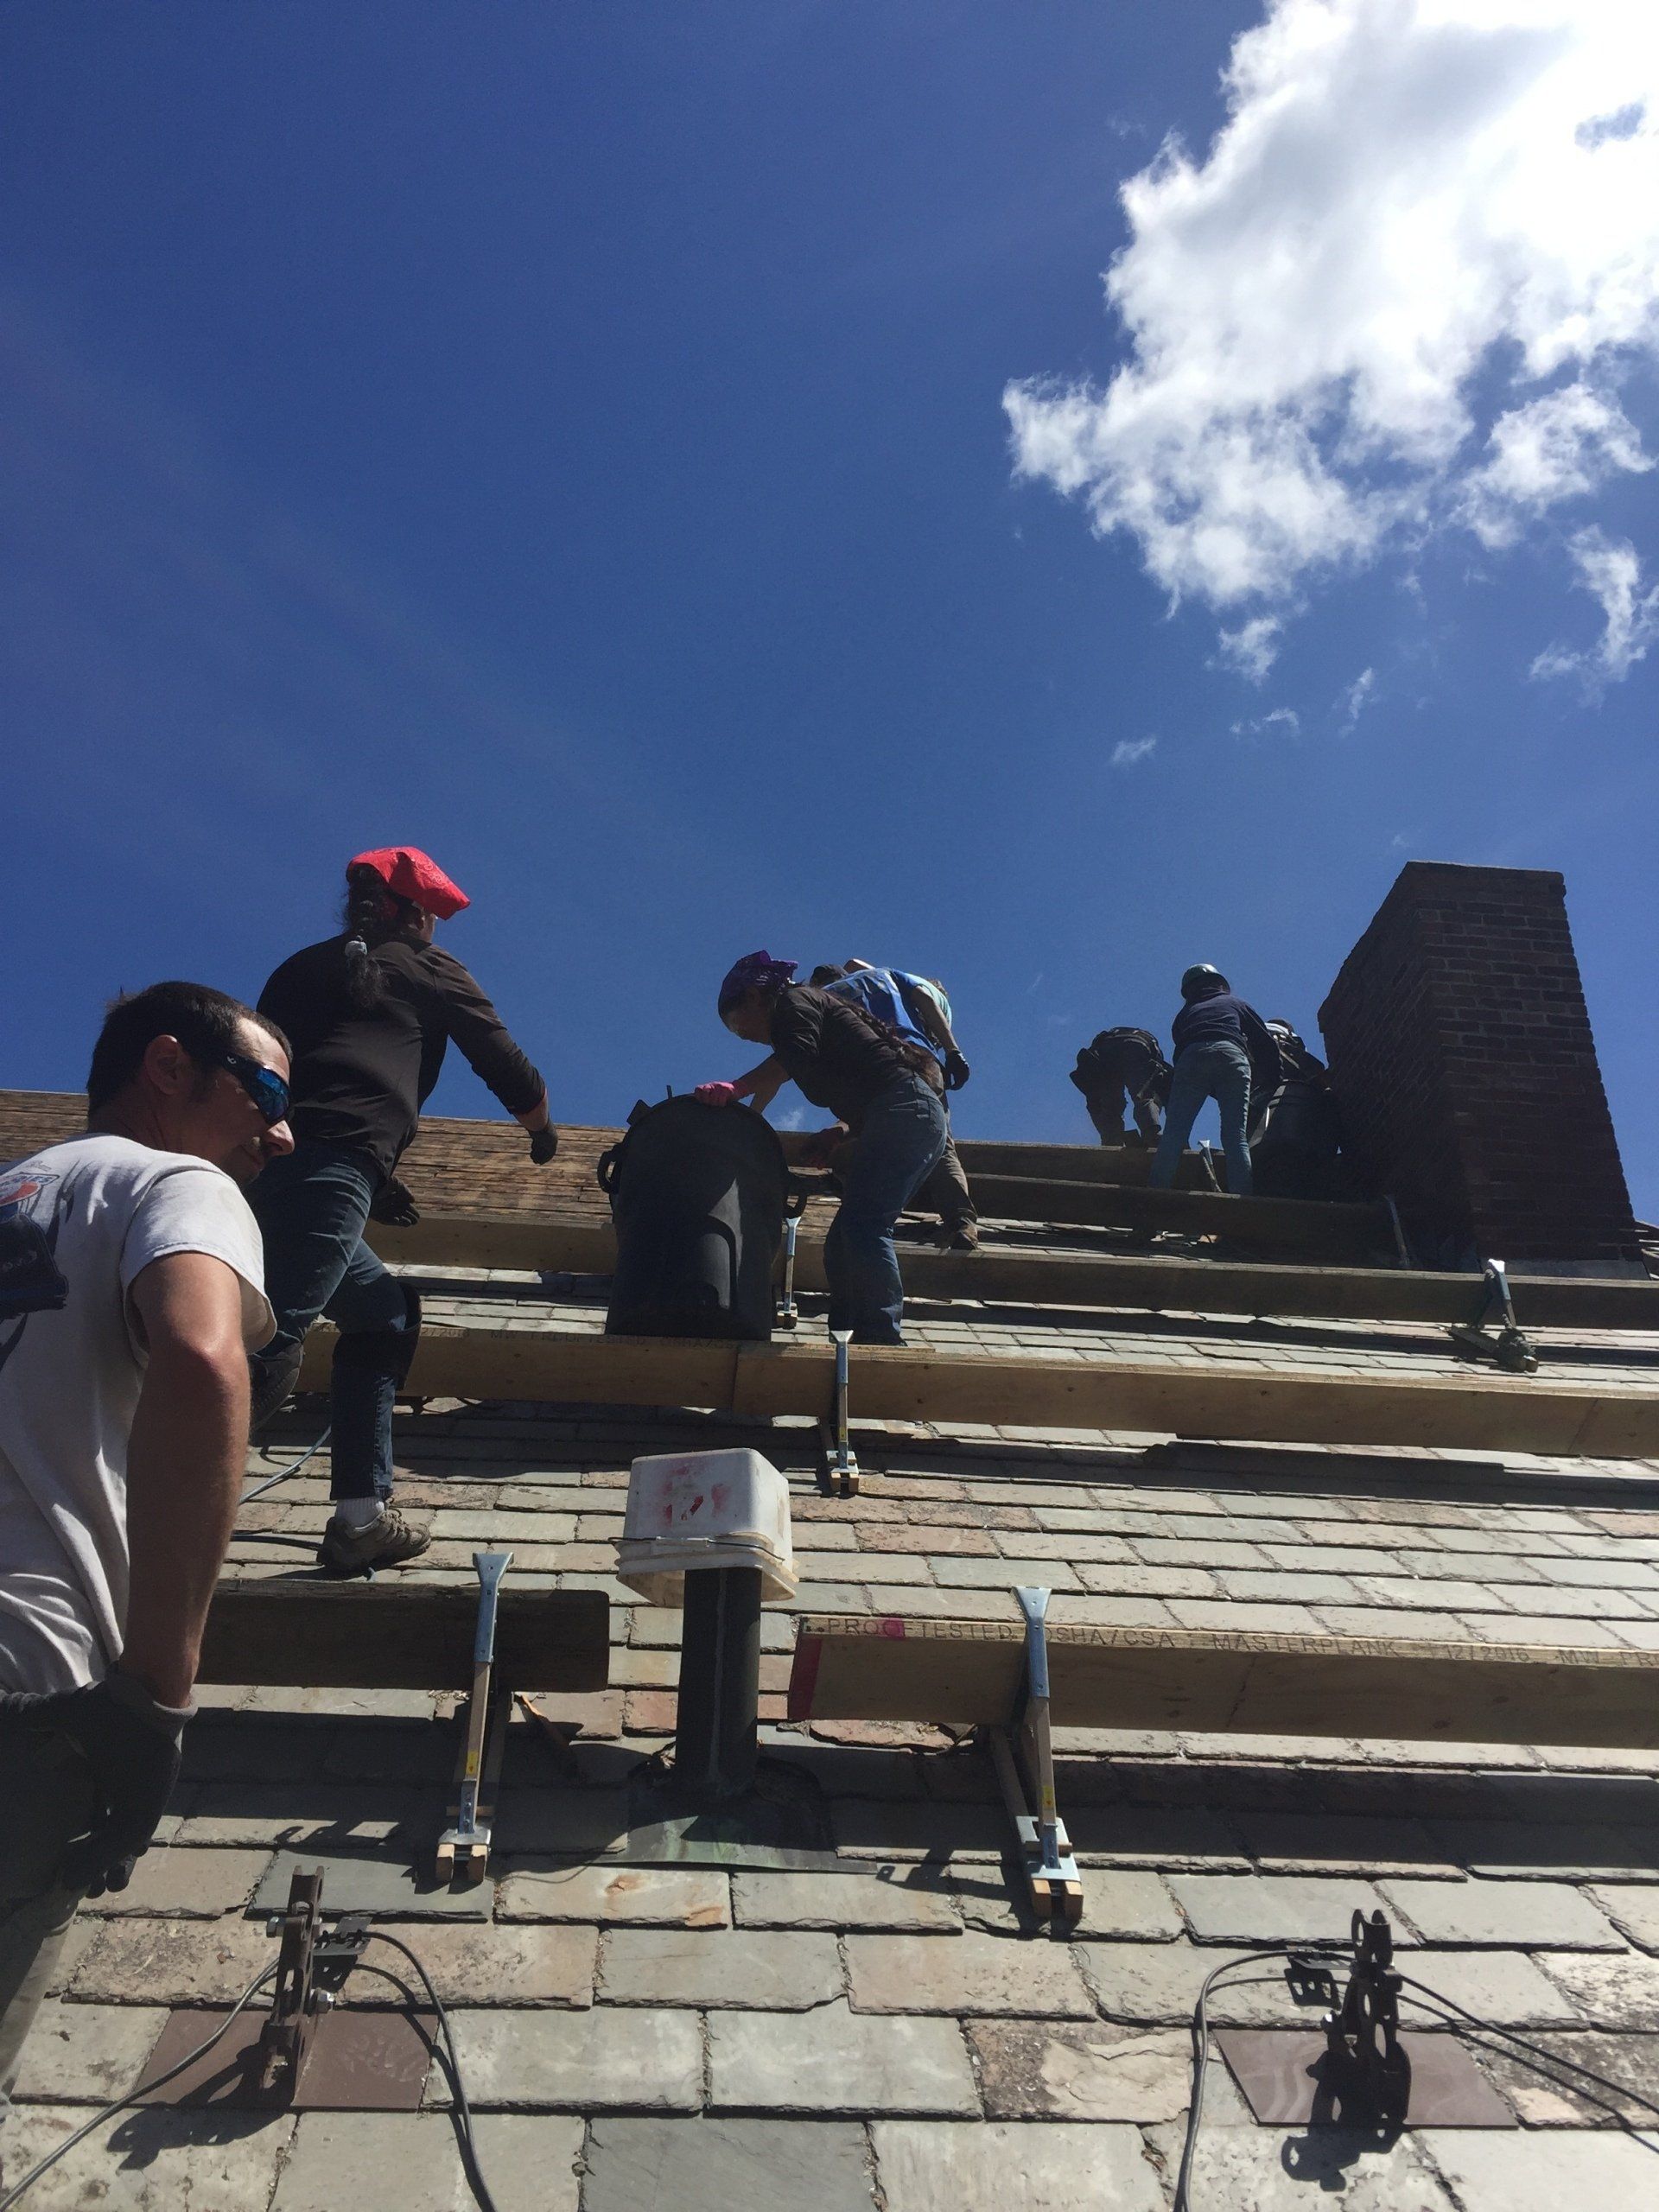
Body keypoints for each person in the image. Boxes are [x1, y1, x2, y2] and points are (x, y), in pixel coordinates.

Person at [1, 982, 292, 2138]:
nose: (281, 1133)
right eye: (266, 1092)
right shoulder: (170, 1183)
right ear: (169, 1066)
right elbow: (203, 1362)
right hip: (30, 1690)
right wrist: (159, 1692)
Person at [251, 847, 556, 1575]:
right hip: (329, 1168)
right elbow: (504, 1063)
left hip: (262, 1166)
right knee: (264, 1341)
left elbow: (280, 1069)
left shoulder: (298, 968)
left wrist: (377, 1178)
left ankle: (361, 1517)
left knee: (383, 1310)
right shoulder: (426, 965)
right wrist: (543, 1131)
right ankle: (143, 1517)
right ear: (419, 913)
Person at [699, 952, 947, 1344]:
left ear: (752, 996)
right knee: (842, 1241)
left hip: (907, 1111)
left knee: (865, 1227)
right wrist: (835, 1134)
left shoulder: (797, 1003)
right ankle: (846, 1337)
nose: (741, 1036)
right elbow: (859, 1088)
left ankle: (881, 1339)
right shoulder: (802, 1019)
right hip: (905, 1114)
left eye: (736, 1026)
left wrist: (736, 1087)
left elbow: (790, 1061)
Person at [811, 963, 978, 1251]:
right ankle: (962, 1222)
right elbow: (922, 999)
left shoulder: (819, 999)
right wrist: (953, 1051)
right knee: (941, 1146)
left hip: (868, 1069)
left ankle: (861, 1212)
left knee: (871, 1129)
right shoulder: (885, 975)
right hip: (916, 1059)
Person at [1147, 965, 1281, 1198]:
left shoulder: (1184, 1014)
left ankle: (1154, 1198)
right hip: (1231, 1054)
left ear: (1188, 990)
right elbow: (1265, 1043)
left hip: (1190, 1058)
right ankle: (1244, 1203)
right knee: (1235, 1134)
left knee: (1175, 1134)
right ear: (1219, 983)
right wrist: (1273, 1079)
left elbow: (1180, 1053)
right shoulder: (1236, 1004)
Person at [1071, 1027, 1172, 1147]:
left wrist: (1107, 1133)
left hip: (1105, 1049)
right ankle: (1150, 1133)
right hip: (1138, 1045)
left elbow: (1095, 1103)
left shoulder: (1095, 1064)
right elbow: (1167, 1098)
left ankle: (1112, 1139)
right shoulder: (1157, 1068)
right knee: (1144, 1094)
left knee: (1110, 1101)